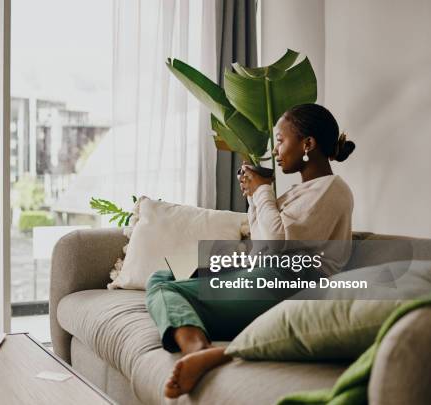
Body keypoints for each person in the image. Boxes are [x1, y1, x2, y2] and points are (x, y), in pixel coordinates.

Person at [144, 103, 357, 398]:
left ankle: (197, 349)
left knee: (169, 292)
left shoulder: (333, 190)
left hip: (289, 285)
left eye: (281, 141)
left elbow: (275, 248)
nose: (276, 151)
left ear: (307, 144)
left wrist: (262, 192)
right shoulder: (301, 191)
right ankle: (194, 325)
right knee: (161, 277)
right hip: (264, 274)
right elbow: (262, 244)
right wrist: (254, 198)